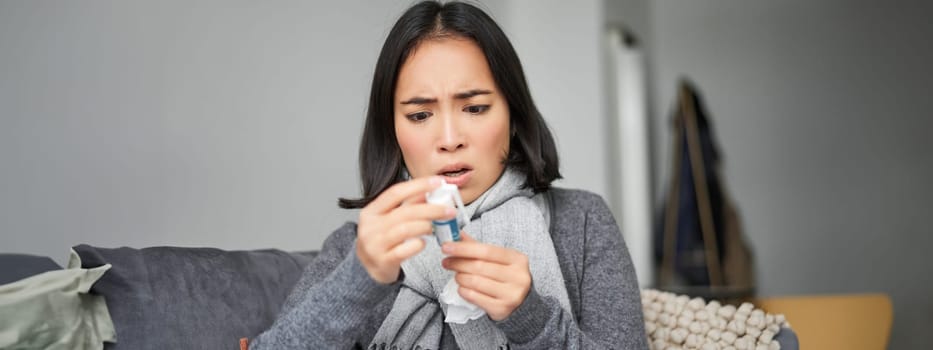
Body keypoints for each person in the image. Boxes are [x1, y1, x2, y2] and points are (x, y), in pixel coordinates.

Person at [250, 1, 646, 349]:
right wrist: (359, 281)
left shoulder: (582, 222)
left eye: (474, 108)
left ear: (513, 115)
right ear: (393, 131)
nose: (450, 139)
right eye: (420, 115)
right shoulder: (360, 249)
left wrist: (532, 319)